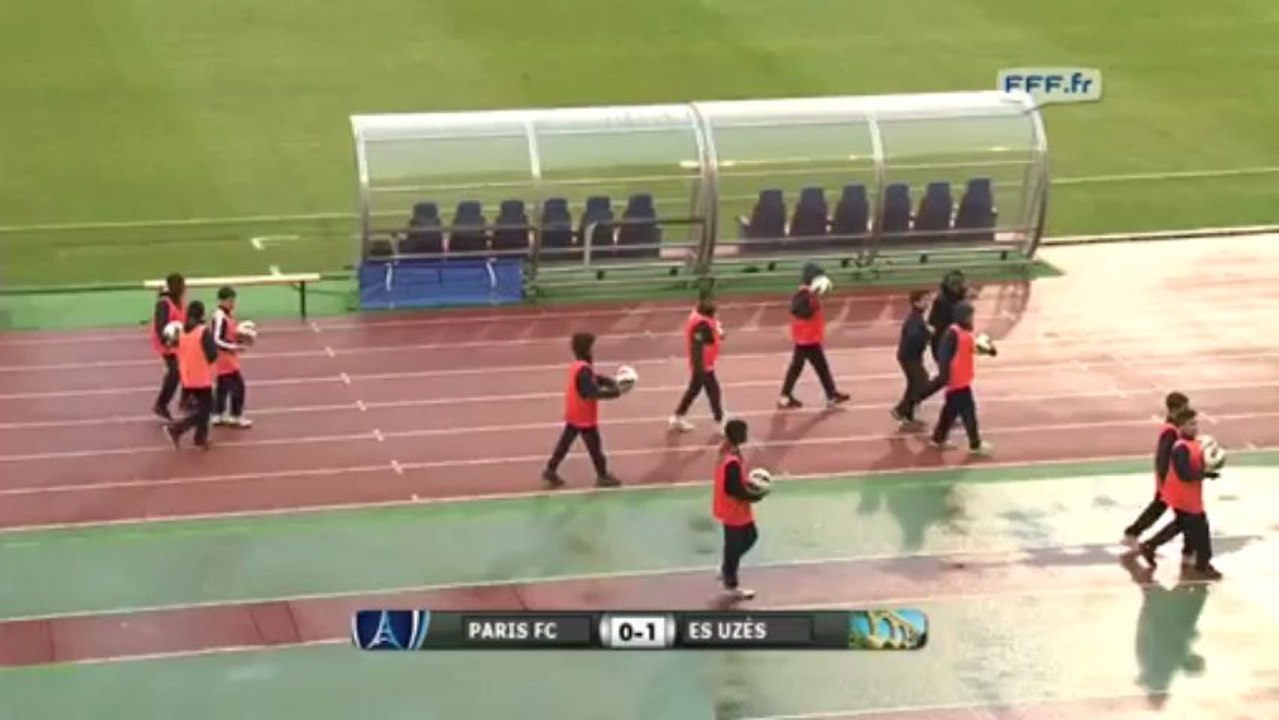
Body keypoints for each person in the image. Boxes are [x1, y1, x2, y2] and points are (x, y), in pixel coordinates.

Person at [1138, 408, 1222, 580]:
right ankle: (1203, 564)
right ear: (1181, 427)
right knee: (1201, 530)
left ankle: (1150, 546)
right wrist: (1205, 474)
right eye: (1191, 424)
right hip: (1184, 498)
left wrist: (1207, 467)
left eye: (1196, 423)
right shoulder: (1181, 448)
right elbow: (1184, 474)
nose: (1195, 427)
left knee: (1181, 525)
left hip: (1187, 497)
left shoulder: (1194, 444)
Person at [543, 332, 627, 488]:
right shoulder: (584, 370)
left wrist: (611, 382)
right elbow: (590, 392)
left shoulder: (579, 366)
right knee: (595, 447)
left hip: (574, 412)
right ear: (587, 348)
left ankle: (551, 469)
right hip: (584, 416)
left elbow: (595, 379)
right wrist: (615, 392)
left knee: (565, 444)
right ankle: (602, 475)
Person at [1121, 392, 1194, 566]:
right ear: (1176, 409)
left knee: (1161, 510)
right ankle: (1182, 551)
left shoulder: (1174, 427)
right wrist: (1167, 481)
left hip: (1171, 480)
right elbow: (1163, 458)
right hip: (1171, 481)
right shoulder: (1170, 431)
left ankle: (1134, 534)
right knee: (1186, 517)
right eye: (1185, 406)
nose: (1188, 409)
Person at [778, 263, 850, 409]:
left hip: (808, 337)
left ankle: (787, 395)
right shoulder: (803, 294)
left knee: (802, 367)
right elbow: (799, 311)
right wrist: (813, 298)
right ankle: (829, 395)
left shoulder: (808, 293)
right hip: (806, 339)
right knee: (813, 367)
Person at [930, 301, 994, 455]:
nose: (972, 317)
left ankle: (938, 438)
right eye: (970, 315)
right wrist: (945, 377)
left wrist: (988, 348)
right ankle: (975, 444)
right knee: (968, 412)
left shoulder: (965, 332)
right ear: (963, 316)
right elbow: (944, 356)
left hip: (961, 380)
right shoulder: (952, 334)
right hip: (957, 382)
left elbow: (974, 349)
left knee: (950, 411)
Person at [715, 418, 762, 600]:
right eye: (743, 432)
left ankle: (726, 567)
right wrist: (755, 495)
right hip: (733, 509)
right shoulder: (732, 460)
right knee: (734, 546)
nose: (746, 435)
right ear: (737, 435)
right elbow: (732, 488)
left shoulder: (729, 451)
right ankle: (731, 583)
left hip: (737, 509)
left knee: (750, 536)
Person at [165, 301, 218, 449]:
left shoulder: (181, 331)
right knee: (207, 410)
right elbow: (212, 355)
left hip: (187, 378)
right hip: (201, 377)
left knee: (203, 408)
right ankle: (177, 429)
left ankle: (200, 438)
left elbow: (174, 347)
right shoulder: (203, 331)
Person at [669, 296, 726, 433]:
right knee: (713, 391)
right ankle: (720, 422)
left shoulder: (701, 320)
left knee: (694, 391)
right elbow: (709, 341)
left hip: (703, 364)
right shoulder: (702, 325)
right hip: (702, 365)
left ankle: (678, 417)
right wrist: (718, 331)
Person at [891, 289, 941, 429]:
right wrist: (928, 333)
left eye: (928, 299)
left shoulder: (918, 317)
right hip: (909, 358)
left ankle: (908, 416)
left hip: (911, 357)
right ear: (916, 302)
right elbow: (914, 337)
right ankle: (900, 410)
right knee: (921, 383)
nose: (928, 303)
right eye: (925, 300)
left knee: (914, 384)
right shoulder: (915, 318)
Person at [211, 287, 252, 428]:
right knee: (238, 387)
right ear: (222, 301)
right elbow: (217, 339)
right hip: (225, 359)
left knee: (222, 387)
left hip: (227, 357)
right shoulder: (220, 316)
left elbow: (229, 334)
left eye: (233, 300)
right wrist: (235, 346)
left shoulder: (228, 316)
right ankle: (236, 416)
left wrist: (241, 338)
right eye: (230, 300)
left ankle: (218, 413)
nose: (232, 303)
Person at [150, 273, 187, 420]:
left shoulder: (181, 302)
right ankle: (161, 404)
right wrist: (168, 342)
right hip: (166, 342)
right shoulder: (164, 303)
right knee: (175, 371)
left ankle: (186, 400)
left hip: (180, 341)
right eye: (181, 285)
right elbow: (160, 326)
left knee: (187, 369)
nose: (184, 288)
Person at [926, 270, 969, 362]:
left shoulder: (944, 299)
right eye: (961, 284)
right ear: (954, 286)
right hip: (945, 345)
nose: (964, 286)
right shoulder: (945, 303)